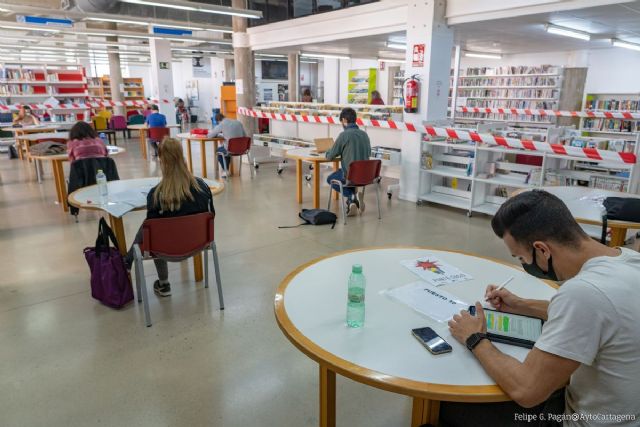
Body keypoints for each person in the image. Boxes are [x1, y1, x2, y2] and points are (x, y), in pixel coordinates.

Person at [441, 190, 640, 427]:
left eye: (522, 259)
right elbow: (602, 315)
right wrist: (522, 305)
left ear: (542, 250)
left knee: (452, 407)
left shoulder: (582, 293)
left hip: (581, 420)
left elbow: (526, 390)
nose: (524, 265)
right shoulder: (627, 259)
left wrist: (474, 338)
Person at [125, 137, 215, 297]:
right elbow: (211, 215)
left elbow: (150, 232)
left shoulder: (156, 194)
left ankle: (163, 283)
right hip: (199, 245)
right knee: (156, 227)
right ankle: (128, 260)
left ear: (162, 161)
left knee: (154, 229)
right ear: (182, 157)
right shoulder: (202, 187)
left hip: (164, 251)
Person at [325, 107, 371, 216]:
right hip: (366, 175)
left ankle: (352, 197)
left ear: (344, 120)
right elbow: (368, 153)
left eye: (341, 122)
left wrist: (327, 151)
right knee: (348, 172)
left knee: (331, 179)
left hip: (351, 175)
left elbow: (330, 157)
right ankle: (353, 201)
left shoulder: (344, 135)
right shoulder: (365, 135)